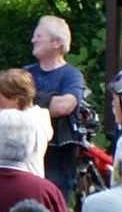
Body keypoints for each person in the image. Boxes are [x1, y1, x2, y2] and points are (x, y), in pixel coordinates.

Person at [27, 16, 90, 196]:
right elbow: (7, 101)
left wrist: (28, 99)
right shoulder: (25, 72)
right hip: (27, 153)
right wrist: (49, 100)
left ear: (56, 42)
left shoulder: (71, 75)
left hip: (58, 160)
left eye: (38, 36)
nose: (33, 40)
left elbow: (64, 106)